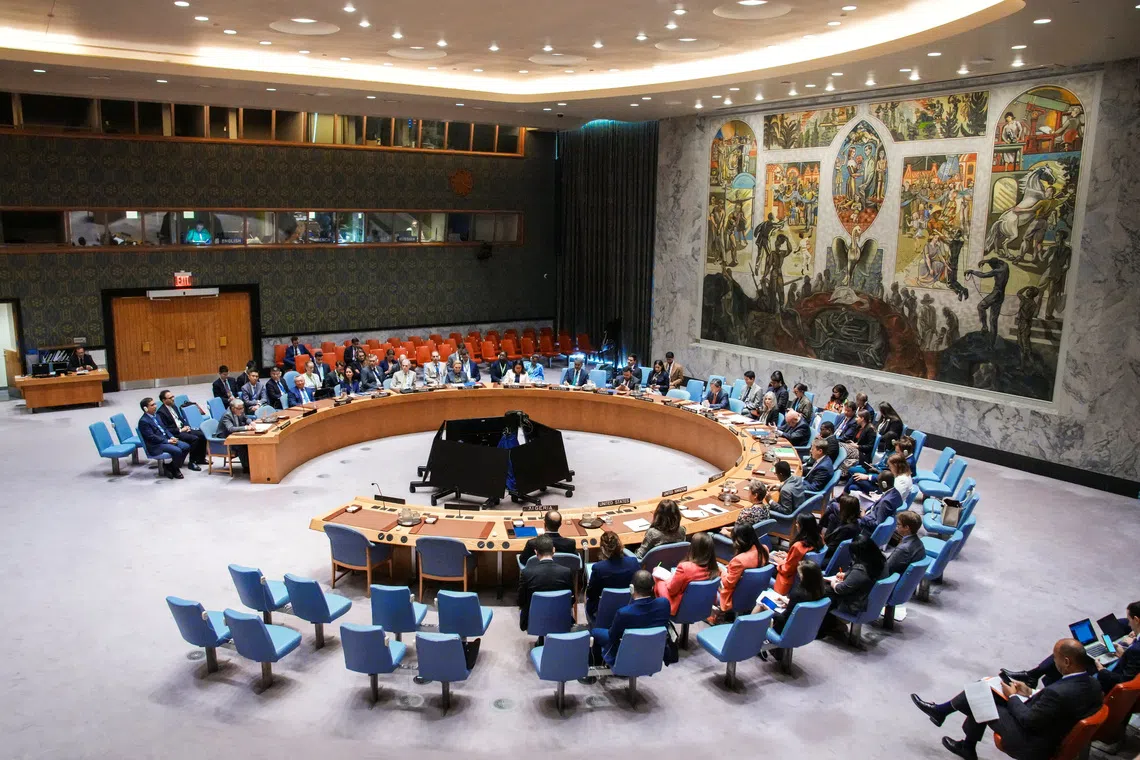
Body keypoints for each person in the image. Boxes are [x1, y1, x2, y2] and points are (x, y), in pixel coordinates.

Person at [911, 639, 1103, 760]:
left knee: (982, 695)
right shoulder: (1093, 685)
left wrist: (1013, 696)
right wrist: (1030, 693)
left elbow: (1029, 721)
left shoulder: (1058, 692)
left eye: (1055, 659)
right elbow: (1056, 708)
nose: (1054, 662)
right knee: (987, 688)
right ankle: (947, 720)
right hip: (1051, 730)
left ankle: (955, 729)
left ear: (1067, 662)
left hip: (1030, 743)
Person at [1002, 602, 1140, 697]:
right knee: (1075, 650)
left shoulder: (1136, 650)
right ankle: (1033, 677)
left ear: (1137, 620)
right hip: (1117, 663)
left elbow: (1124, 680)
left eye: (1130, 620)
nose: (1128, 622)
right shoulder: (1136, 643)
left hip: (1104, 678)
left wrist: (1102, 670)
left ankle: (1037, 684)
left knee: (1071, 652)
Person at [594, 569, 670, 667]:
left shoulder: (623, 613)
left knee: (595, 632)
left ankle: (597, 668)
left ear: (631, 588)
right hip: (653, 652)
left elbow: (612, 637)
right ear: (652, 587)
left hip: (629, 651)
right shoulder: (664, 604)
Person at [517, 535, 575, 631]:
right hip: (560, 616)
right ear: (554, 550)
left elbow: (520, 601)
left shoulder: (527, 573)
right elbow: (572, 600)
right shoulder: (566, 572)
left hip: (533, 618)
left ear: (536, 552)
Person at [760, 559, 825, 643]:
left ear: (805, 577)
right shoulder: (821, 591)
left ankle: (750, 636)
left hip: (785, 629)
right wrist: (789, 602)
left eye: (800, 574)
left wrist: (769, 611)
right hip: (806, 628)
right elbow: (805, 606)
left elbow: (784, 619)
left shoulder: (798, 594)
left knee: (761, 604)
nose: (798, 576)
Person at [655, 532, 718, 615]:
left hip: (681, 608)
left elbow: (671, 590)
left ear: (693, 548)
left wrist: (668, 580)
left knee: (657, 577)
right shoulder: (714, 568)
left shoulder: (685, 567)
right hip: (702, 605)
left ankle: (660, 614)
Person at [824, 535, 884, 622]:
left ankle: (829, 626)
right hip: (864, 598)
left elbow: (841, 589)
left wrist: (834, 583)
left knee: (823, 591)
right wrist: (846, 575)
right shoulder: (879, 560)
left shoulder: (860, 569)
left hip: (853, 604)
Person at [585, 531, 639, 625]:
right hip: (629, 606)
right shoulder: (633, 562)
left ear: (602, 549)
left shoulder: (598, 568)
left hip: (603, 609)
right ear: (620, 545)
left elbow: (591, 594)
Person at [715, 524, 769, 618]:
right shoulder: (764, 549)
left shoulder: (739, 560)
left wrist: (721, 570)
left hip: (734, 597)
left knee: (711, 570)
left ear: (739, 541)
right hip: (755, 592)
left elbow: (728, 583)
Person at [772, 514, 823, 595]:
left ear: (802, 526)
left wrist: (780, 561)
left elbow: (787, 570)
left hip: (790, 579)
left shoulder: (798, 546)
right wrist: (788, 556)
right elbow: (801, 558)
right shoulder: (819, 539)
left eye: (797, 523)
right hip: (806, 576)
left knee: (769, 567)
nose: (796, 525)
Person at [138, 396, 187, 478]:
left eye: (155, 404)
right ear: (145, 409)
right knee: (177, 451)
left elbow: (165, 429)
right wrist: (168, 441)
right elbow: (151, 437)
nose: (155, 406)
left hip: (165, 439)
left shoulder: (157, 416)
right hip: (156, 445)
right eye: (152, 405)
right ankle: (176, 469)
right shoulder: (143, 421)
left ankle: (170, 466)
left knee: (186, 447)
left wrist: (171, 437)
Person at [155, 390, 205, 470]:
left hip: (183, 429)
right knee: (194, 439)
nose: (173, 399)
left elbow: (181, 419)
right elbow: (167, 429)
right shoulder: (161, 412)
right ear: (164, 400)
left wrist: (186, 426)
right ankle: (192, 462)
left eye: (173, 396)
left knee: (202, 434)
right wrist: (180, 430)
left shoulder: (174, 406)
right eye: (170, 398)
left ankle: (200, 459)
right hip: (176, 433)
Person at [857, 468, 904, 534]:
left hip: (866, 528)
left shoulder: (886, 502)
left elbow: (877, 524)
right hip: (869, 514)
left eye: (878, 483)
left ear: (884, 484)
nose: (878, 485)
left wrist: (863, 516)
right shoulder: (895, 493)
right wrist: (865, 510)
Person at [884, 511, 925, 576]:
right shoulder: (919, 542)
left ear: (906, 528)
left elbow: (886, 569)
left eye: (898, 524)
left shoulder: (903, 549)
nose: (896, 527)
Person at [217, 397, 252, 473]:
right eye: (239, 409)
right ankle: (246, 467)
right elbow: (231, 429)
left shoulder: (239, 410)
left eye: (242, 408)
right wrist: (246, 427)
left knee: (250, 443)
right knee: (241, 445)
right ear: (233, 408)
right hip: (225, 439)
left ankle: (252, 464)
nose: (242, 410)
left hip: (234, 435)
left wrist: (250, 422)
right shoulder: (227, 415)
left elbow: (246, 418)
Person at [822, 494, 862, 560]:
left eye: (840, 506)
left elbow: (830, 550)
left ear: (845, 510)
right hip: (840, 554)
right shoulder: (856, 523)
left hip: (830, 558)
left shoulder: (846, 530)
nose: (838, 507)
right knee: (832, 516)